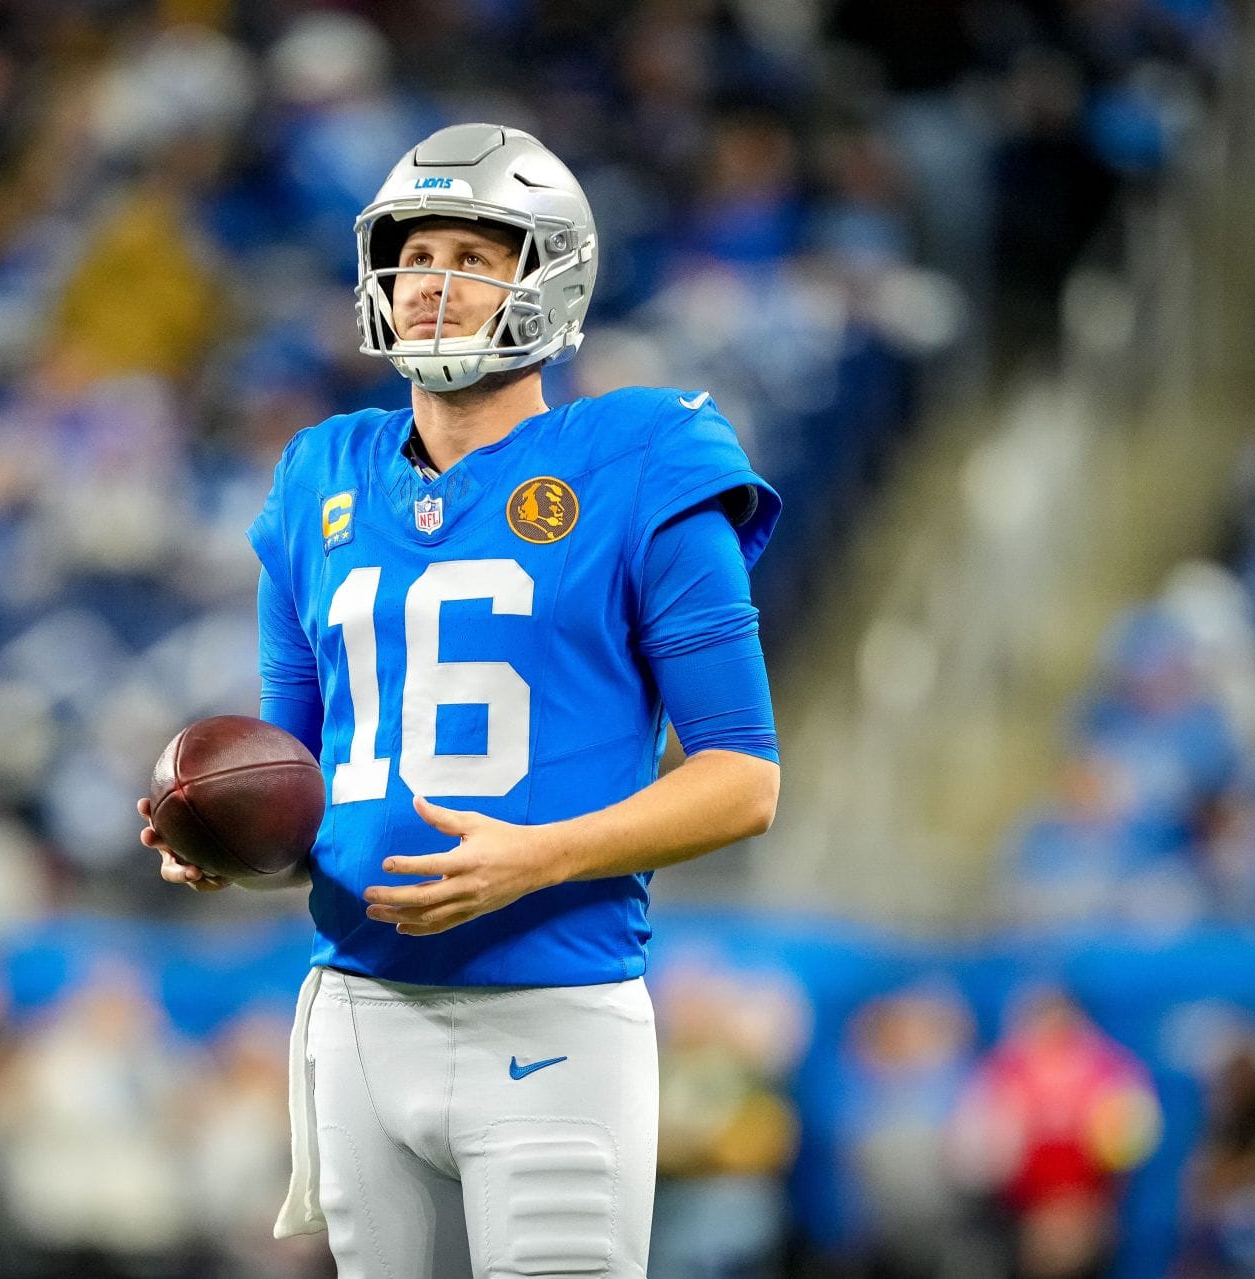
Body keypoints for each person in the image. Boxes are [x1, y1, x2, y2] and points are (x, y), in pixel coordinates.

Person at [137, 122, 782, 1278]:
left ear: (550, 277)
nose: (431, 283)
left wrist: (542, 855)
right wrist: (231, 836)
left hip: (551, 1010)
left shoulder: (644, 454)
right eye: (414, 251)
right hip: (357, 1010)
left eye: (472, 257)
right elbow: (305, 769)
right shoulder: (320, 474)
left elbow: (742, 779)